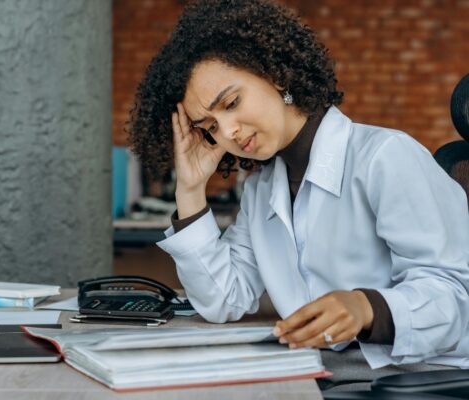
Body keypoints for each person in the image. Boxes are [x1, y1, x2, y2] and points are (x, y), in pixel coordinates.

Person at [127, 0, 469, 379]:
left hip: (419, 380)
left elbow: (455, 298)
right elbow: (223, 300)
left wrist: (367, 307)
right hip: (323, 377)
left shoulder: (384, 158)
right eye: (208, 126)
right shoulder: (262, 190)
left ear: (275, 74)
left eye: (232, 103)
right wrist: (190, 191)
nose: (228, 132)